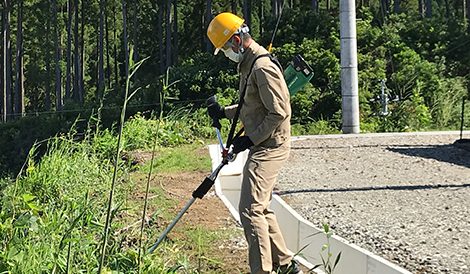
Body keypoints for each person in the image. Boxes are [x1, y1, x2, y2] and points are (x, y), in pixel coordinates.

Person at [206, 12, 303, 274]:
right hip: (262, 143)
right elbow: (253, 106)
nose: (226, 53)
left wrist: (249, 139)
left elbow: (279, 112)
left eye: (226, 48)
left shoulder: (262, 67)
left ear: (237, 41)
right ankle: (285, 265)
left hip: (271, 146)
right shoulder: (249, 65)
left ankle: (262, 270)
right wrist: (223, 112)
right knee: (259, 208)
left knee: (249, 210)